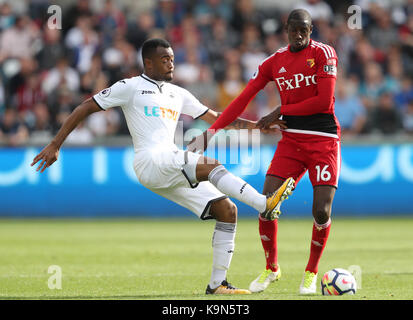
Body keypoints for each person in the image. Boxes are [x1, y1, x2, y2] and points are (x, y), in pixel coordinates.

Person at [31, 38, 294, 295]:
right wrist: (56, 144)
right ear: (148, 62)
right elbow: (84, 108)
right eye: (165, 59)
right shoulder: (130, 87)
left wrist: (259, 126)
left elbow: (218, 118)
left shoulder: (177, 93)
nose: (171, 64)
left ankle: (218, 284)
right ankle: (264, 205)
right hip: (150, 160)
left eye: (172, 59)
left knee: (227, 210)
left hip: (168, 163)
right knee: (209, 164)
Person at [188, 9, 340, 294]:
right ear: (286, 29)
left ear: (311, 30)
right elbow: (242, 99)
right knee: (265, 203)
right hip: (292, 140)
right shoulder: (274, 62)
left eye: (303, 31)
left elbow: (323, 101)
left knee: (321, 210)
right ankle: (272, 268)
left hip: (323, 139)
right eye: (293, 30)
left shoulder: (324, 54)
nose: (298, 36)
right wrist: (209, 133)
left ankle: (311, 272)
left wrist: (279, 111)